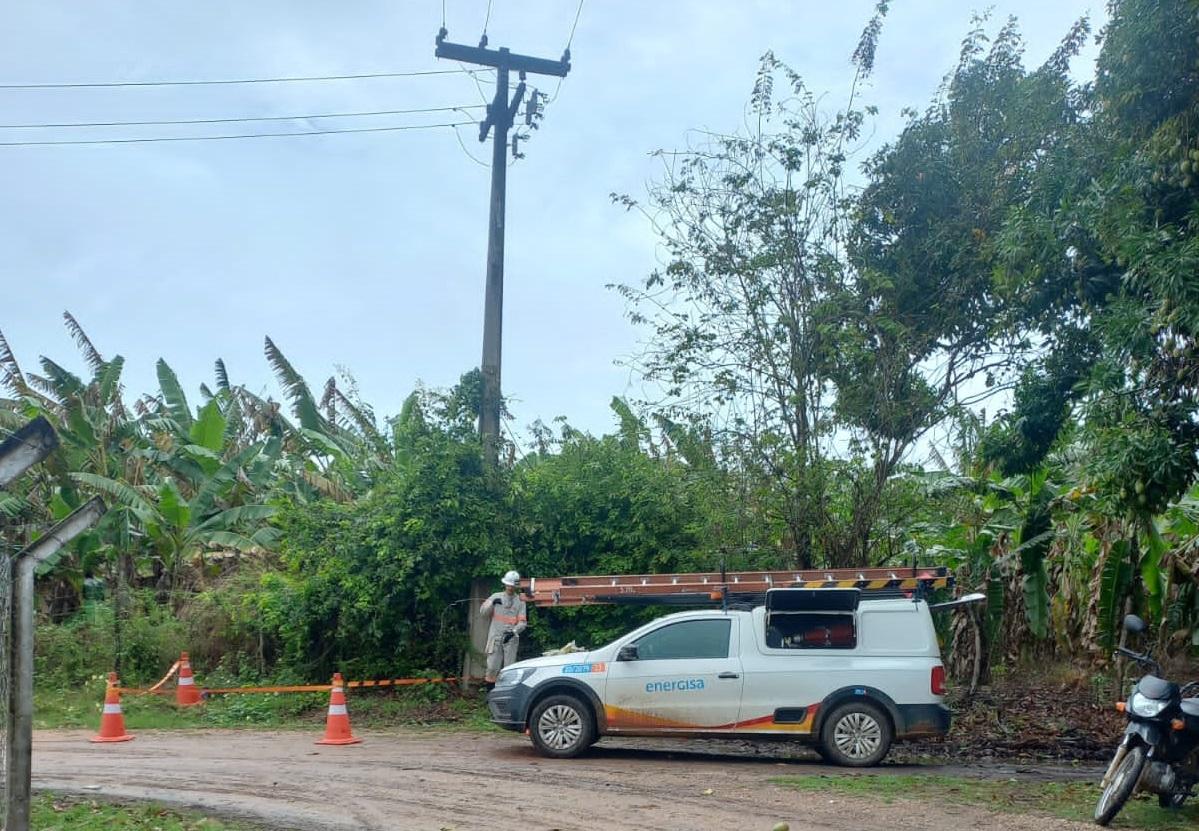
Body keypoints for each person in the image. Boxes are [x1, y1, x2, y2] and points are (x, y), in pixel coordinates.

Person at [480, 570, 527, 687]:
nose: (510, 588)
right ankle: (490, 693)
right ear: (505, 584)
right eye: (508, 585)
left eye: (512, 586)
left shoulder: (520, 601)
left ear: (515, 586)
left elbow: (522, 622)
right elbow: (483, 613)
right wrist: (491, 603)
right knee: (492, 667)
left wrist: (514, 631)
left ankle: (505, 693)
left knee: (509, 669)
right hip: (495, 637)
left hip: (511, 638)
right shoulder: (496, 596)